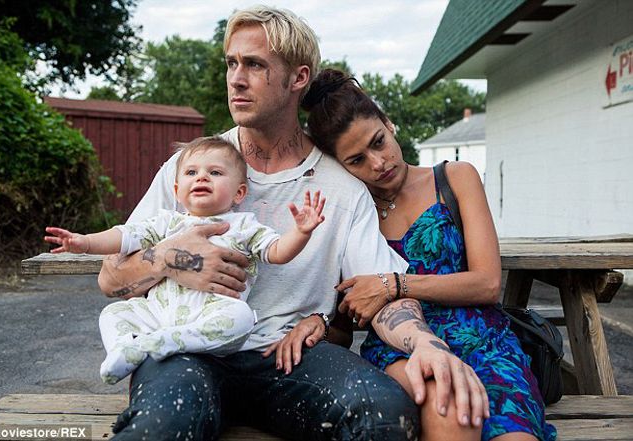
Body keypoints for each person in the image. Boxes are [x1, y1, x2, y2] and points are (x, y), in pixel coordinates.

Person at [96, 6, 486, 440]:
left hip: (288, 356)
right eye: (231, 63)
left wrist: (427, 344)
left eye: (254, 65)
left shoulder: (342, 189)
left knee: (383, 412)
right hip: (183, 348)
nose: (236, 79)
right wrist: (171, 259)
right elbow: (111, 279)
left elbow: (381, 293)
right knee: (163, 423)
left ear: (298, 78)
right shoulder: (192, 167)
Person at [301, 68, 558, 441]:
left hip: (484, 341)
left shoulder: (455, 178)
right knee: (447, 411)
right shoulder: (352, 213)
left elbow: (487, 284)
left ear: (389, 124)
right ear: (340, 166)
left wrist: (394, 284)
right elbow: (345, 318)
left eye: (378, 142)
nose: (378, 163)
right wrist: (317, 324)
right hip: (400, 350)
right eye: (356, 160)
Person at [44, 136, 326, 385]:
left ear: (239, 192)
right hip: (157, 313)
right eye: (192, 172)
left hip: (210, 314)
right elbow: (124, 237)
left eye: (215, 172)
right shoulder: (167, 223)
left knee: (241, 318)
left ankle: (168, 341)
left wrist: (301, 232)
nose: (202, 177)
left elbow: (277, 252)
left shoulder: (243, 225)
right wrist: (85, 242)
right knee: (114, 313)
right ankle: (123, 350)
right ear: (178, 190)